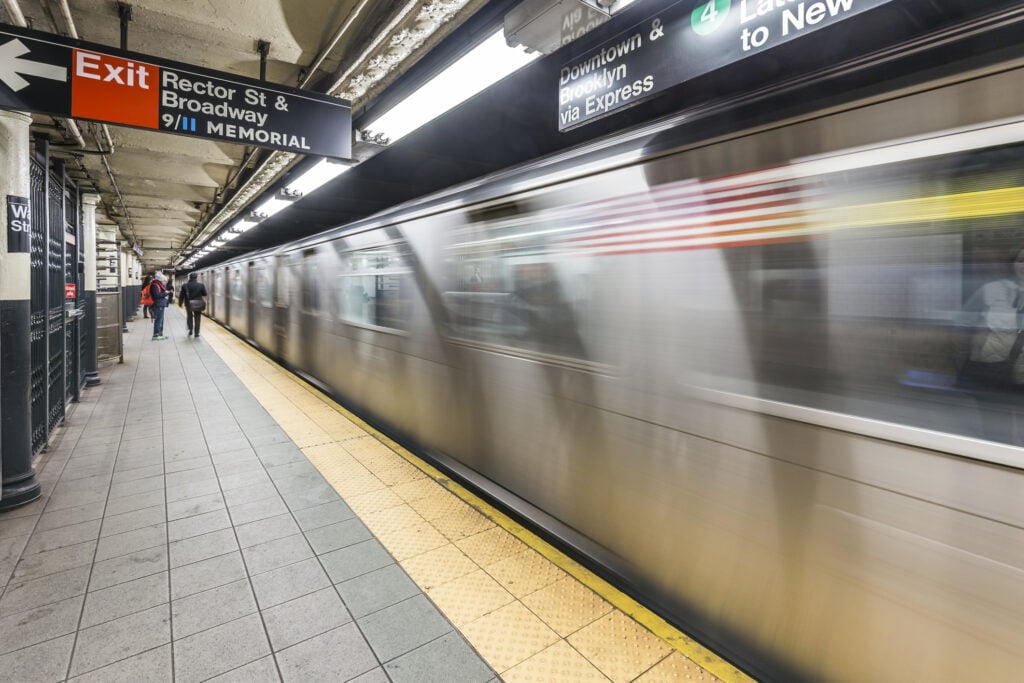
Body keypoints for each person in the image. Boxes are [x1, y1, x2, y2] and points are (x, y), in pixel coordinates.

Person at [181, 272, 208, 338]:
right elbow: (205, 294)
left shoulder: (185, 285)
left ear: (190, 277)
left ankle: (190, 330)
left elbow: (182, 295)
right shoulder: (201, 285)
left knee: (189, 317)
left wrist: (180, 303)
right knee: (197, 318)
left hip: (188, 304)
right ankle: (196, 333)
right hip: (198, 304)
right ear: (196, 277)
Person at [149, 271, 170, 340]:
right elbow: (156, 295)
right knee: (158, 319)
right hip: (158, 305)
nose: (164, 283)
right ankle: (156, 335)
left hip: (160, 304)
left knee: (161, 319)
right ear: (160, 280)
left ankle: (160, 334)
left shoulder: (157, 285)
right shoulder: (155, 285)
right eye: (164, 281)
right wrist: (165, 293)